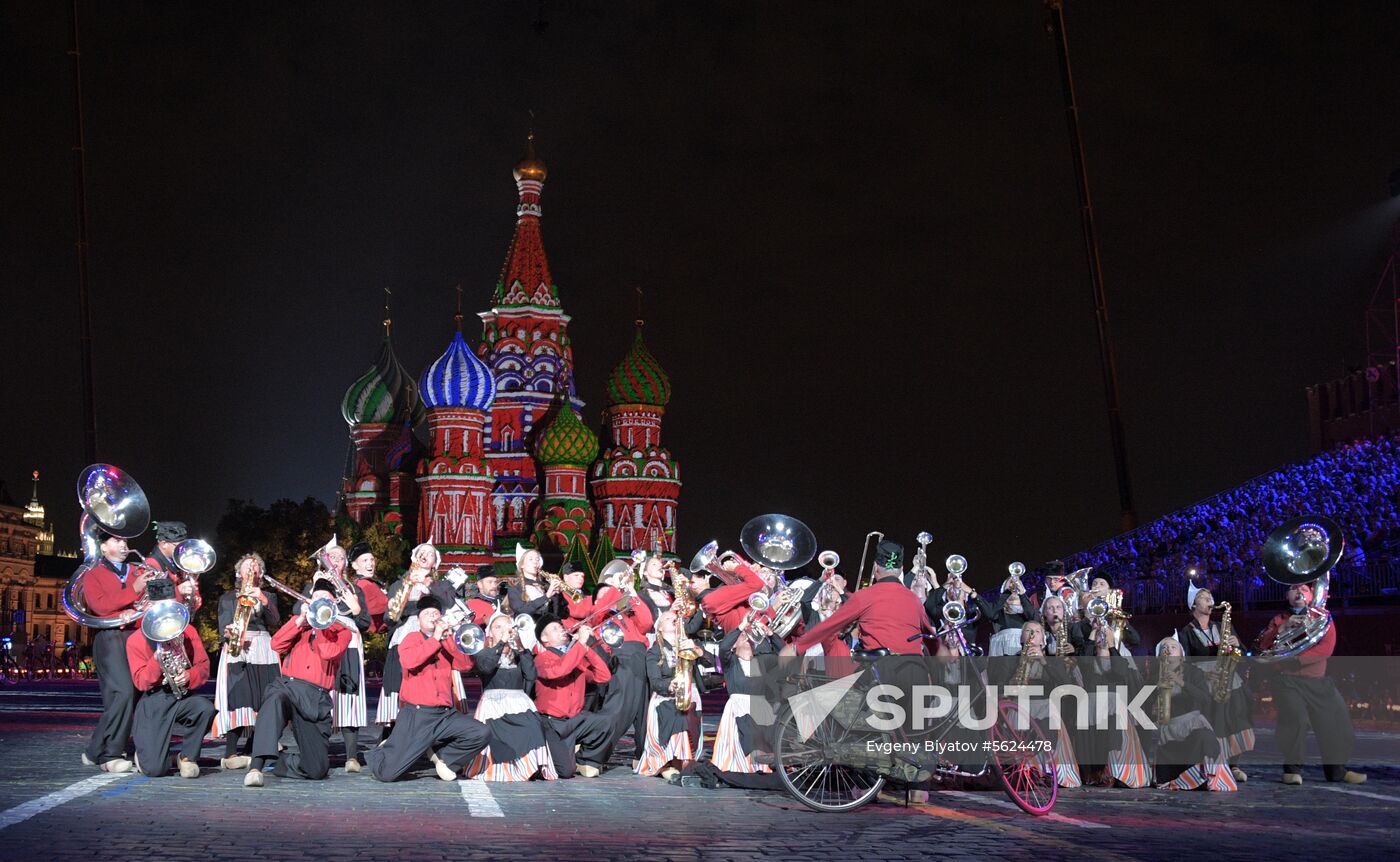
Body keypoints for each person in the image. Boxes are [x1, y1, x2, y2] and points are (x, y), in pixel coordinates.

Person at [367, 595, 490, 782]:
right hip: (417, 715)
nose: (433, 617)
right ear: (418, 620)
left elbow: (465, 665)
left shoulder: (447, 642)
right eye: (427, 614)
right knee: (386, 774)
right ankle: (383, 750)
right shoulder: (412, 638)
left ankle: (444, 758)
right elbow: (409, 661)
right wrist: (435, 639)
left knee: (481, 732)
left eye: (436, 614)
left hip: (444, 715)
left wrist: (448, 639)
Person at [244, 579, 353, 787]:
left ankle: (278, 762)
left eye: (326, 600)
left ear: (334, 604)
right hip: (289, 686)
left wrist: (320, 625)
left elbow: (328, 652)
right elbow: (276, 644)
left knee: (317, 769)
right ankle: (255, 767)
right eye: (317, 599)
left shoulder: (342, 631)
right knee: (274, 698)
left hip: (316, 697)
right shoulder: (300, 623)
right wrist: (300, 620)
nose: (320, 603)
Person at [1257, 582, 1366, 785]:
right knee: (1296, 720)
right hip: (1287, 681)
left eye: (1304, 589)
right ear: (1287, 596)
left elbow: (1327, 646)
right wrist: (1284, 627)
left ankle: (1337, 771)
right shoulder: (1279, 619)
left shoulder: (1322, 617)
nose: (1299, 591)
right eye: (1294, 589)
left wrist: (1295, 658)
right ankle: (1292, 770)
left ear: (1311, 595)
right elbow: (1264, 645)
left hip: (1317, 680)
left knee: (1337, 722)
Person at [125, 582, 215, 778]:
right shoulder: (135, 640)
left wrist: (189, 675)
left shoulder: (188, 631)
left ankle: (187, 757)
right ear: (149, 607)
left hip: (181, 697)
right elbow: (140, 682)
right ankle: (151, 756)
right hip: (153, 701)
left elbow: (204, 666)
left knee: (205, 708)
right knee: (156, 770)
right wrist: (156, 660)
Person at [785, 541, 934, 657]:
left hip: (883, 674)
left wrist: (797, 647)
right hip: (916, 673)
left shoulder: (865, 596)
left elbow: (830, 625)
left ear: (875, 568)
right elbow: (933, 641)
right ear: (901, 570)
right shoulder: (914, 600)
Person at [80, 529, 151, 773]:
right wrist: (135, 590)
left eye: (125, 540)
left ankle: (93, 750)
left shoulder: (136, 570)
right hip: (110, 639)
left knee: (130, 694)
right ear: (103, 548)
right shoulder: (93, 575)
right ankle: (110, 754)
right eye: (117, 541)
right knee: (121, 693)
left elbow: (147, 600)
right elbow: (100, 606)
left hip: (136, 637)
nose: (124, 545)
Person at [987, 621, 1081, 788]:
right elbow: (998, 686)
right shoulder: (1010, 660)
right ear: (1021, 638)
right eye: (1028, 631)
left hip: (1044, 705)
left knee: (1047, 715)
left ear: (1043, 639)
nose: (1032, 634)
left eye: (1037, 631)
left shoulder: (1052, 660)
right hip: (1018, 705)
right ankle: (1024, 769)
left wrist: (1043, 661)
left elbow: (1064, 684)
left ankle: (1046, 770)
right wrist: (1011, 687)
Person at [465, 611, 557, 781]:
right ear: (490, 632)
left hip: (519, 702)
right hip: (493, 703)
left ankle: (528, 767)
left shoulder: (518, 654)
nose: (502, 631)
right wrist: (501, 644)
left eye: (506, 626)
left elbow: (530, 675)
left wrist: (521, 647)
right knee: (498, 732)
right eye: (497, 627)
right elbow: (486, 667)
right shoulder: (484, 652)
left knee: (534, 725)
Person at [1177, 581, 1253, 783]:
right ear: (1194, 604)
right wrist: (1202, 676)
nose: (1210, 600)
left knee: (1235, 720)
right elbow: (1184, 663)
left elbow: (1243, 654)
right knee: (1213, 722)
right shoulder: (1186, 632)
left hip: (1229, 679)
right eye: (1204, 597)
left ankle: (1233, 764)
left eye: (1210, 596)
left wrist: (1237, 646)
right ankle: (1211, 763)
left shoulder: (1222, 627)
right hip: (1204, 683)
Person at [213, 553, 282, 770]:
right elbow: (223, 625)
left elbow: (275, 620)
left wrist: (262, 599)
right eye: (246, 567)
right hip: (238, 648)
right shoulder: (226, 598)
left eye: (256, 567)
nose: (251, 570)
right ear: (238, 573)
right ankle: (230, 752)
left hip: (262, 646)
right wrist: (230, 632)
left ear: (261, 574)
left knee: (263, 697)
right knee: (238, 696)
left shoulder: (268, 596)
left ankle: (256, 747)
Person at [309, 539, 372, 772]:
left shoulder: (354, 588)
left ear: (347, 563)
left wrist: (356, 609)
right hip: (325, 639)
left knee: (350, 697)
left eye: (340, 557)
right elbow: (300, 611)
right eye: (331, 557)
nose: (335, 561)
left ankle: (351, 756)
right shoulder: (316, 584)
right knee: (322, 695)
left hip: (350, 643)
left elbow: (365, 622)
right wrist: (314, 588)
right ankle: (319, 752)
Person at [377, 542, 455, 727]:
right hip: (404, 636)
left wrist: (428, 584)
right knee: (398, 683)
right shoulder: (399, 584)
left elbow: (449, 604)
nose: (425, 555)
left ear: (435, 562)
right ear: (414, 558)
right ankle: (392, 733)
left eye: (430, 554)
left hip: (434, 637)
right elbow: (389, 618)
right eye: (421, 552)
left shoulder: (442, 585)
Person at [1150, 636, 1235, 791]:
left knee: (1204, 738)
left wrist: (1179, 681)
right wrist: (1152, 709)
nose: (1168, 650)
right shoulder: (1152, 677)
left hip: (1191, 725)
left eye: (1173, 647)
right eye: (1164, 648)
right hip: (1166, 730)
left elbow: (1204, 698)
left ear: (1182, 655)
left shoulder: (1194, 673)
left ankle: (1200, 776)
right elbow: (1142, 704)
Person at [533, 617, 614, 778]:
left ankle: (585, 759)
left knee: (606, 721)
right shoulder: (541, 658)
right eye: (555, 628)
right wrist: (580, 645)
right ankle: (562, 754)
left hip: (574, 720)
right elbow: (559, 670)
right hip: (552, 723)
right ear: (544, 638)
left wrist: (586, 649)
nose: (562, 630)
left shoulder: (575, 656)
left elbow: (603, 676)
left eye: (561, 626)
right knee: (565, 772)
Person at [636, 611, 710, 780]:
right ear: (660, 628)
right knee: (678, 718)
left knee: (689, 724)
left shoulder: (689, 644)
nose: (674, 620)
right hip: (667, 697)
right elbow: (655, 682)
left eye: (676, 619)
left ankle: (684, 760)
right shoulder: (655, 651)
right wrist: (670, 685)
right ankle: (676, 761)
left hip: (691, 695)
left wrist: (698, 651)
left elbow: (712, 663)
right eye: (668, 619)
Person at [710, 616, 783, 776]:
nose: (746, 638)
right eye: (742, 636)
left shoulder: (761, 662)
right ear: (734, 644)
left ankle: (761, 768)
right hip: (738, 708)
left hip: (759, 708)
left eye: (748, 636)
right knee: (741, 739)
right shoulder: (731, 662)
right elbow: (723, 648)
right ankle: (738, 767)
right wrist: (741, 626)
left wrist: (770, 634)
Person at [144, 521, 202, 612]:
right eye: (178, 546)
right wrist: (179, 591)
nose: (182, 550)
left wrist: (193, 597)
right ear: (164, 544)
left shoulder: (176, 560)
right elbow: (155, 603)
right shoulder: (150, 564)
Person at [506, 544, 557, 619]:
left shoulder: (545, 585)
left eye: (537, 559)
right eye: (531, 559)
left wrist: (558, 595)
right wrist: (546, 596)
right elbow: (521, 611)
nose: (535, 562)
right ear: (522, 565)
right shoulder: (515, 587)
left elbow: (557, 613)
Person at [348, 541, 389, 634]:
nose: (370, 563)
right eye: (365, 560)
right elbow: (379, 607)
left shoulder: (369, 583)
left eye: (372, 559)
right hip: (374, 637)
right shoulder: (364, 584)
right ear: (354, 565)